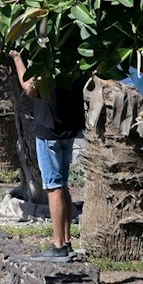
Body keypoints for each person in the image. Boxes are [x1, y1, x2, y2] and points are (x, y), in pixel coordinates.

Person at [11, 53, 84, 261]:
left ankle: (58, 245)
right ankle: (66, 242)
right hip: (68, 127)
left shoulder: (46, 58)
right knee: (63, 185)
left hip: (49, 129)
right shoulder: (73, 56)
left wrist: (17, 59)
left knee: (53, 186)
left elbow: (30, 88)